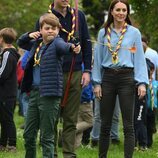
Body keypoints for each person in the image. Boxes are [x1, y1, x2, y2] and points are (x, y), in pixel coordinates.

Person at [17, 13, 81, 158]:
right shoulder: (36, 43)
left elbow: (66, 47)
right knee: (28, 134)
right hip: (34, 94)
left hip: (49, 96)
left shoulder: (57, 43)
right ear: (41, 30)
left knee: (46, 137)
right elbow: (20, 42)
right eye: (47, 28)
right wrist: (29, 35)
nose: (51, 31)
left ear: (58, 30)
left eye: (54, 28)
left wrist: (73, 47)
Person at [92, 0, 149, 158]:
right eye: (118, 9)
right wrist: (97, 83)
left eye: (124, 10)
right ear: (111, 11)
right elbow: (97, 59)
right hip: (108, 77)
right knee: (105, 124)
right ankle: (102, 156)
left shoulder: (134, 33)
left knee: (128, 125)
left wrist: (142, 82)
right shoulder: (103, 33)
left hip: (126, 78)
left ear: (127, 13)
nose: (121, 13)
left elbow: (139, 59)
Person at [37, 1, 92, 158]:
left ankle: (69, 153)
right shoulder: (45, 17)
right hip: (53, 73)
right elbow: (37, 45)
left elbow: (87, 43)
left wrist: (86, 70)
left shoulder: (78, 15)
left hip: (75, 71)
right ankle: (51, 152)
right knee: (52, 116)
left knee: (71, 117)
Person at [0, 27, 20, 152]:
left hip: (6, 93)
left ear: (2, 39)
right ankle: (2, 143)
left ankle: (11, 144)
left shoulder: (7, 53)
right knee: (4, 119)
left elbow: (2, 74)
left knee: (7, 119)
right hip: (7, 92)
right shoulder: (8, 53)